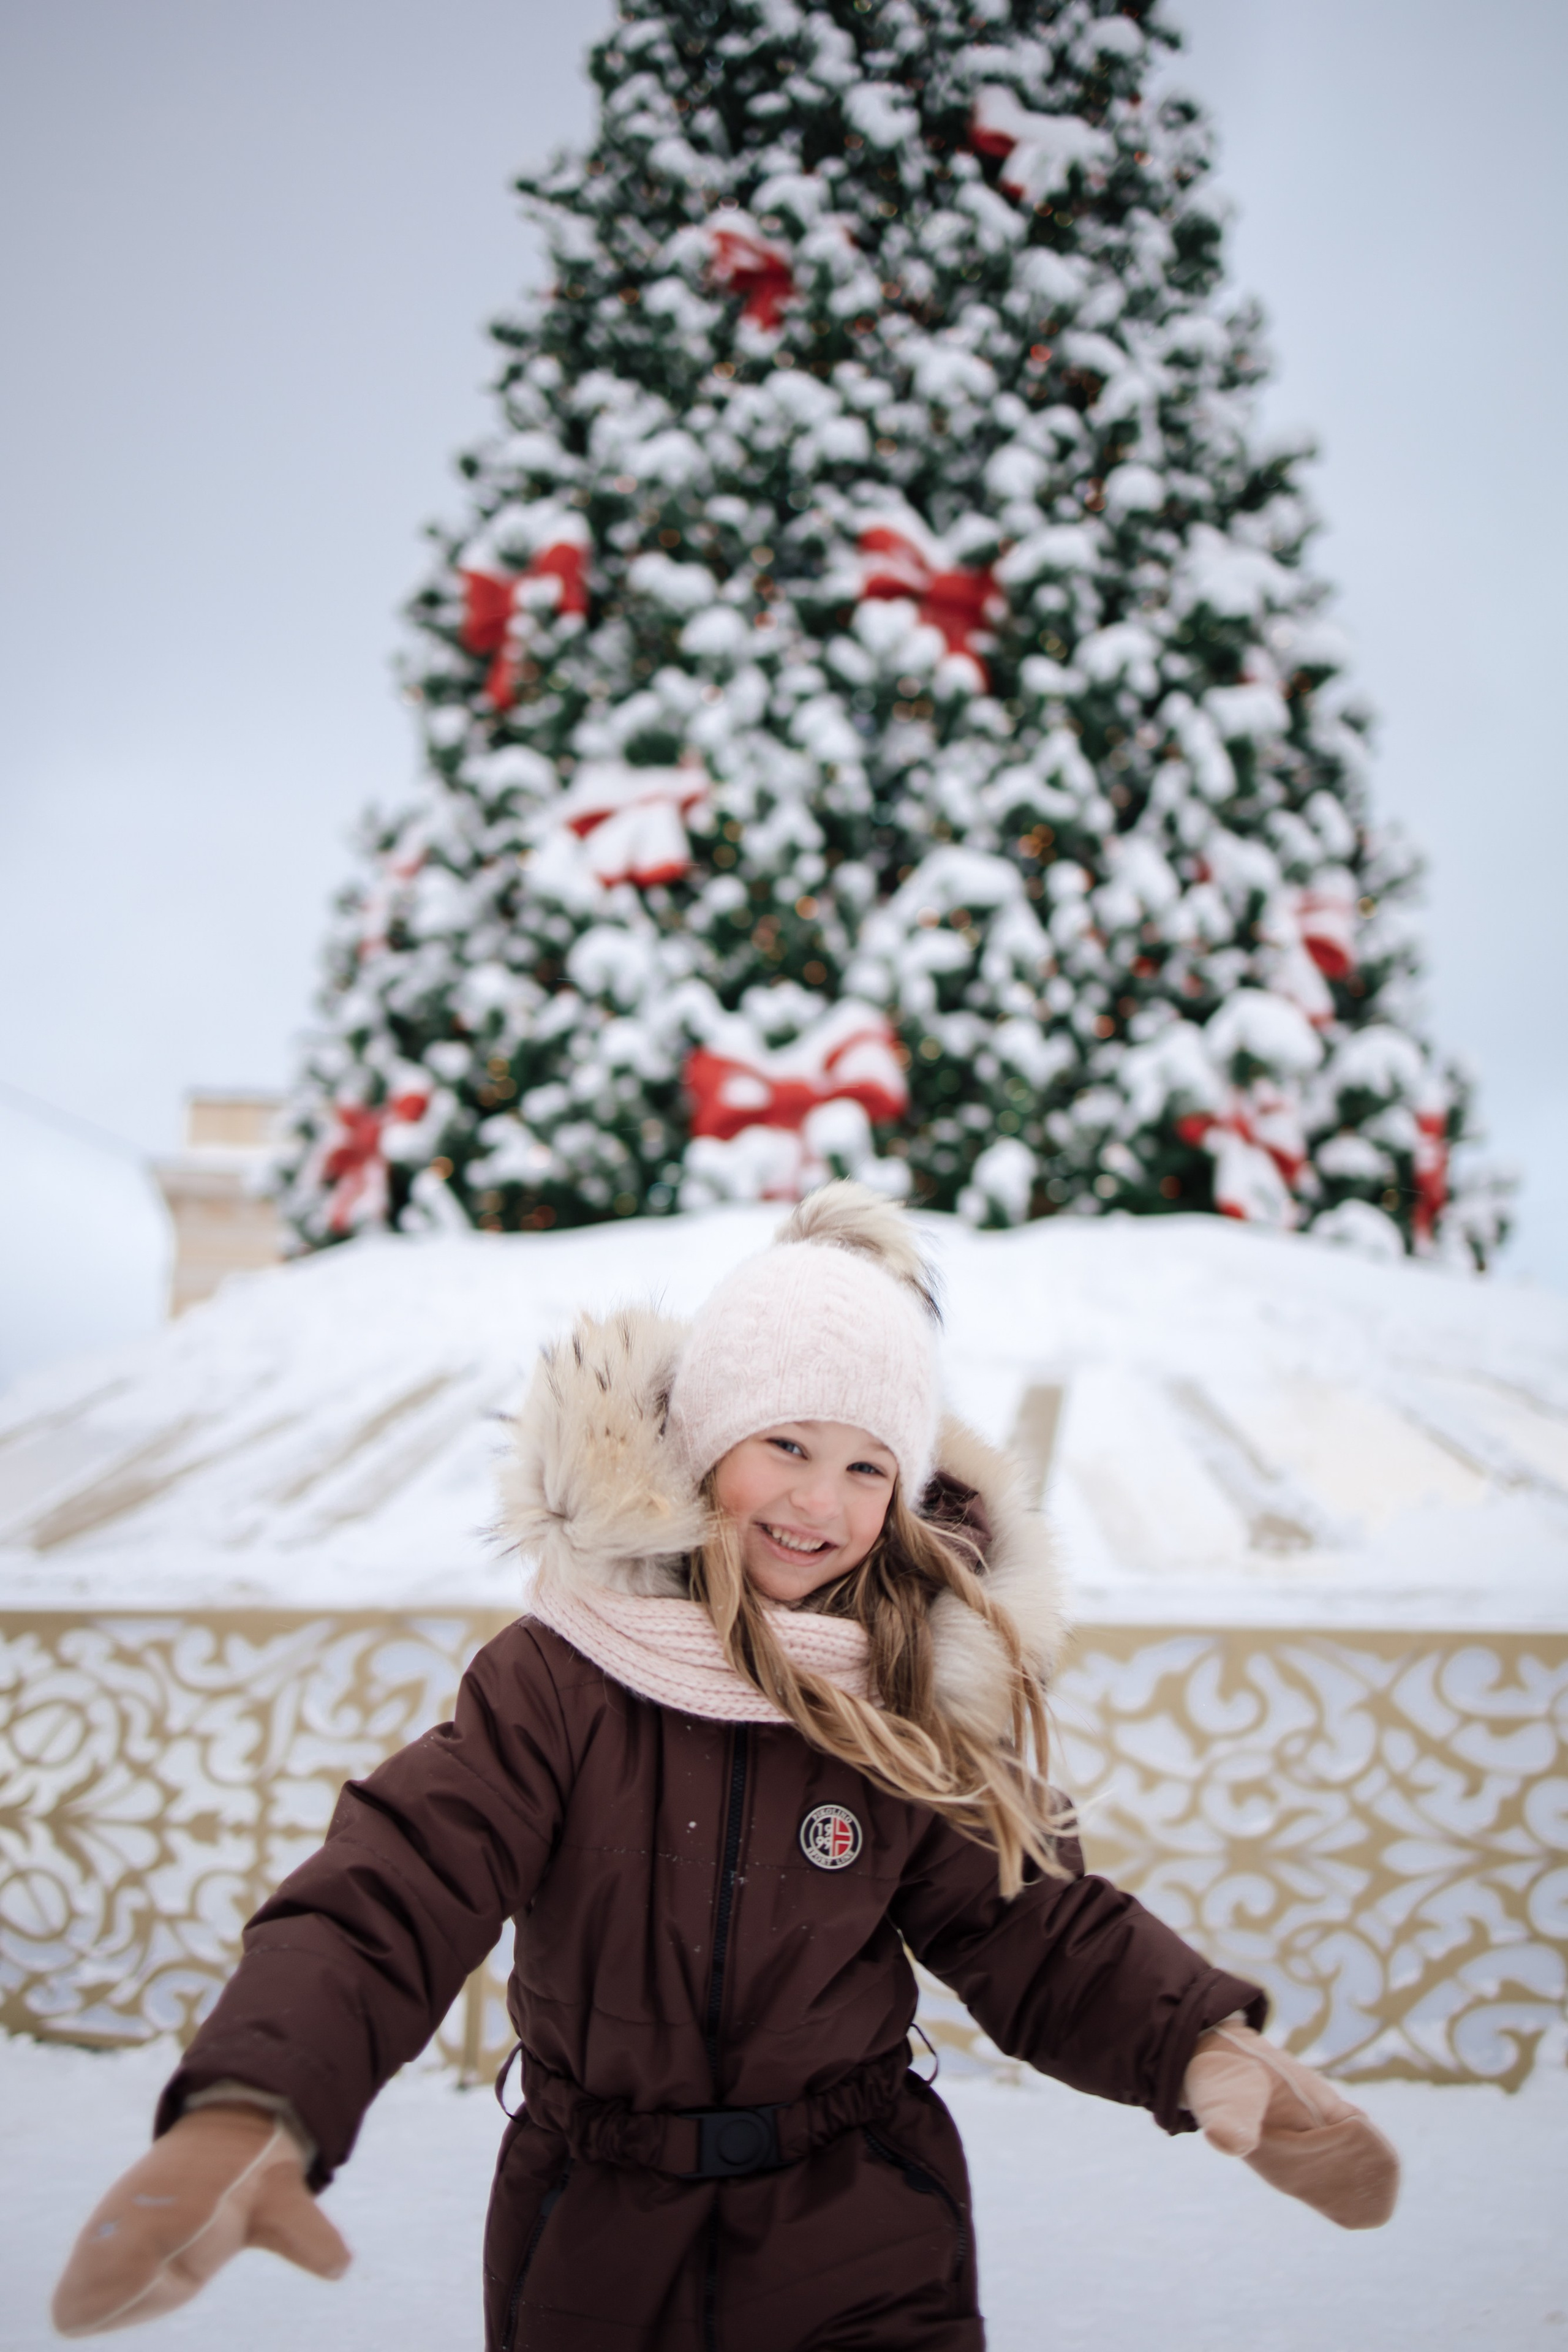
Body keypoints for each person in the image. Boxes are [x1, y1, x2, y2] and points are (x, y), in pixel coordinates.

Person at [52, 1184, 1397, 2348]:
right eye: (787, 1448)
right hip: (592, 2240)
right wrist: (251, 2107)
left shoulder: (898, 1708)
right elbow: (394, 1888)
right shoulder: (559, 1682)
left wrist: (1204, 2053)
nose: (821, 1503)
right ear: (704, 1446)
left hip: (864, 2228)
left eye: (868, 1467)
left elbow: (1031, 1923)